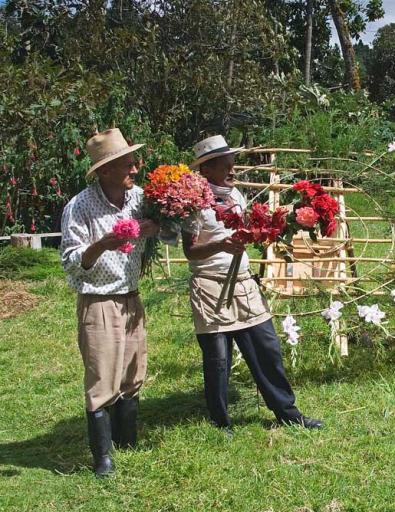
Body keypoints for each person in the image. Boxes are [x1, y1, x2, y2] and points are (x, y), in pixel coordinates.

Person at [182, 135, 322, 432]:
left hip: (243, 283)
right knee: (219, 357)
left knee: (266, 347)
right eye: (226, 166)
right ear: (206, 170)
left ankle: (288, 413)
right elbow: (190, 251)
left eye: (233, 166)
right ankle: (220, 422)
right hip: (210, 285)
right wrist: (222, 245)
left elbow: (244, 232)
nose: (233, 172)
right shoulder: (193, 204)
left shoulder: (237, 197)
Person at [60, 128, 159, 476]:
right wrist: (103, 243)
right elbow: (71, 260)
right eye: (127, 164)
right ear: (105, 171)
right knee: (103, 377)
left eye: (133, 163)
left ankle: (126, 441)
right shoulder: (80, 206)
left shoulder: (139, 199)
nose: (134, 169)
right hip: (99, 300)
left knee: (133, 371)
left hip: (131, 297)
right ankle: (102, 457)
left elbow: (172, 227)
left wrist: (156, 226)